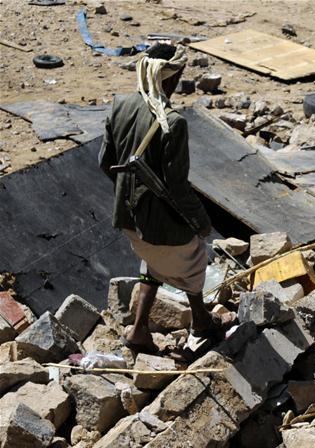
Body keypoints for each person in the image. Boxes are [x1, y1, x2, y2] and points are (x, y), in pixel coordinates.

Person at [100, 43, 225, 353]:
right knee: (194, 260)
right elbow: (178, 188)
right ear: (171, 79)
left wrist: (130, 193)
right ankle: (201, 320)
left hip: (130, 221)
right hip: (161, 230)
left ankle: (140, 329)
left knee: (152, 262)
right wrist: (201, 222)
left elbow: (106, 162)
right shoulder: (173, 122)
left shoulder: (120, 104)